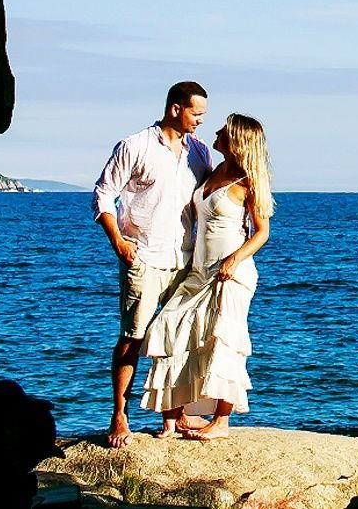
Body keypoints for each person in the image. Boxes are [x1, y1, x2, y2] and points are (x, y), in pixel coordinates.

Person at [93, 81, 215, 447]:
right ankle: (119, 415)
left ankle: (177, 413)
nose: (200, 121)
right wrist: (119, 243)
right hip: (144, 257)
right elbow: (103, 194)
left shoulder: (200, 153)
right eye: (197, 114)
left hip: (186, 258)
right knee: (133, 337)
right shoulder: (136, 145)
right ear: (176, 108)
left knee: (182, 339)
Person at [142, 113, 274, 440]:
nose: (216, 131)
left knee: (223, 339)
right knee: (172, 327)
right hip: (200, 270)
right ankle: (175, 420)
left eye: (224, 131)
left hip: (231, 271)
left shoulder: (247, 180)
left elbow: (262, 232)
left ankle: (221, 422)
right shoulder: (215, 170)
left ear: (237, 140)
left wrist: (234, 260)